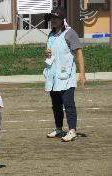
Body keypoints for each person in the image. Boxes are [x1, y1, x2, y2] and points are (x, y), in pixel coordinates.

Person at [43, 7, 86, 142]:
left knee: (68, 104)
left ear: (62, 19)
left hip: (66, 76)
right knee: (56, 104)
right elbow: (51, 52)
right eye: (52, 18)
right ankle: (59, 129)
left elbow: (79, 52)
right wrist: (47, 54)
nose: (53, 21)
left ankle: (72, 131)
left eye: (56, 18)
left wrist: (82, 73)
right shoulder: (51, 34)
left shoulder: (70, 33)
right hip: (53, 76)